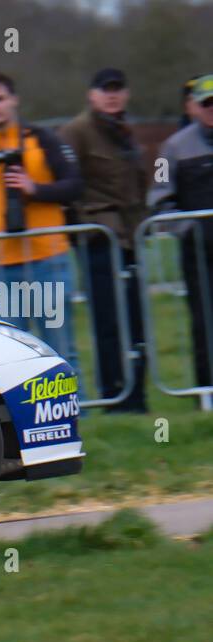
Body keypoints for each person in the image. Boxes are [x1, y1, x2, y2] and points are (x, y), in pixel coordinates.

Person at [0, 72, 82, 376]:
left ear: (14, 100)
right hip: (0, 266)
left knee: (58, 349)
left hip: (47, 259)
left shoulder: (41, 139)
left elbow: (75, 185)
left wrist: (35, 189)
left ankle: (74, 417)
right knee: (11, 354)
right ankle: (23, 423)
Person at [59, 68, 150, 412]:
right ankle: (116, 394)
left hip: (129, 238)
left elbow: (137, 185)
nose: (112, 95)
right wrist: (82, 230)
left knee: (136, 319)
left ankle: (137, 394)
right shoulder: (76, 132)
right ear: (91, 94)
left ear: (125, 94)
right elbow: (67, 186)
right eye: (105, 89)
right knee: (109, 322)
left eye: (118, 89)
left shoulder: (126, 132)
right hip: (99, 240)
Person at [150, 73, 213, 399]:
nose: (212, 109)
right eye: (207, 104)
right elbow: (158, 200)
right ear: (194, 108)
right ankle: (207, 392)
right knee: (204, 322)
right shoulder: (171, 148)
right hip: (199, 253)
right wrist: (190, 229)